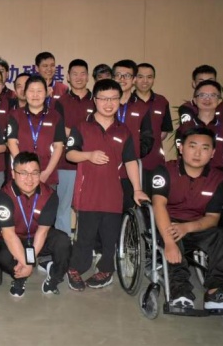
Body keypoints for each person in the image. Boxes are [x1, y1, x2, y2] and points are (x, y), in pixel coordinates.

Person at [151, 126, 223, 310]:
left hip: (197, 227)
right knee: (173, 235)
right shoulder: (164, 171)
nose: (198, 153)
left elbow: (212, 218)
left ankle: (216, 292)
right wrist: (169, 242)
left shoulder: (219, 179)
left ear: (212, 153)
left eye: (205, 148)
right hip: (167, 223)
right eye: (192, 146)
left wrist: (187, 227)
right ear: (181, 148)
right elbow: (158, 205)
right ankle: (180, 292)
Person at [65, 79, 149, 291]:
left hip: (113, 195)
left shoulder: (124, 131)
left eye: (113, 99)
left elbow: (130, 161)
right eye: (103, 98)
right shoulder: (82, 127)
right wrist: (89, 155)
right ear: (95, 100)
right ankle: (76, 268)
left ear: (119, 100)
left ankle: (105, 270)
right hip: (88, 194)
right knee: (85, 237)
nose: (109, 103)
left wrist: (137, 189)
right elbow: (70, 154)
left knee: (110, 237)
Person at [0, 152, 71, 297]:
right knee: (1, 253)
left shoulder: (49, 195)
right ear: (13, 174)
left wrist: (29, 262)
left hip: (38, 237)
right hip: (15, 237)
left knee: (64, 241)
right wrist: (27, 264)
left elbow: (43, 232)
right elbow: (9, 235)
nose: (29, 179)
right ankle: (19, 278)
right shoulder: (5, 195)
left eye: (35, 173)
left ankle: (54, 278)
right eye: (23, 173)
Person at [55, 59, 94, 236]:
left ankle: (85, 245)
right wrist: (84, 137)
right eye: (74, 74)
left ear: (88, 76)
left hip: (93, 163)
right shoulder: (61, 102)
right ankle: (63, 243)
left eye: (82, 73)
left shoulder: (97, 101)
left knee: (89, 207)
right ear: (68, 77)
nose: (79, 77)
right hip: (66, 164)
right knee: (63, 206)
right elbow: (59, 129)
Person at [6, 75, 66, 187]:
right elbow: (11, 143)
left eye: (39, 91)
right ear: (25, 93)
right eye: (31, 91)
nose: (35, 95)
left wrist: (46, 173)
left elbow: (58, 146)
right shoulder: (15, 115)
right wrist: (24, 170)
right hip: (21, 174)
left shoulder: (55, 116)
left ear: (46, 93)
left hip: (46, 174)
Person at [112, 59, 154, 210]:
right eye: (118, 75)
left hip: (131, 171)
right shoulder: (105, 104)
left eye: (127, 75)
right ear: (113, 78)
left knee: (129, 210)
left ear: (134, 79)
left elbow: (148, 136)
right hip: (107, 168)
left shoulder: (142, 107)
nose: (122, 79)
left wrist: (133, 155)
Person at [176, 80, 223, 171]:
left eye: (213, 95)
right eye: (202, 95)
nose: (207, 99)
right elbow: (181, 156)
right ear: (195, 100)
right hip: (192, 175)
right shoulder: (184, 128)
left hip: (219, 175)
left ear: (219, 101)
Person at [132, 63, 173, 185]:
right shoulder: (127, 102)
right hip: (131, 161)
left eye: (149, 77)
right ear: (134, 79)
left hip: (155, 161)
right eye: (140, 77)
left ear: (154, 79)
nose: (145, 81)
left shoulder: (162, 101)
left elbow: (164, 131)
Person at [178, 65, 223, 131]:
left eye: (210, 81)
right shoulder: (187, 107)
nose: (206, 84)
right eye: (201, 81)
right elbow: (187, 131)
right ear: (194, 84)